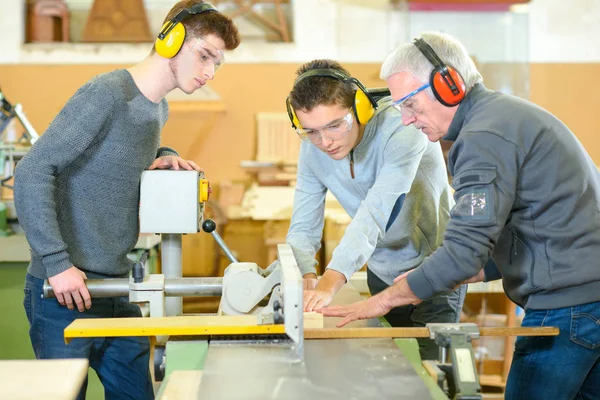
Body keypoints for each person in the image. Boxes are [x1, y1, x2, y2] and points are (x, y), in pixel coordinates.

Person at [322, 31, 600, 400]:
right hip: (587, 301)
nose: (406, 120)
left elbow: (465, 249)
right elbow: (532, 228)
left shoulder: (483, 136)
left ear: (449, 84)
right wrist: (453, 275)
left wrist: (384, 300)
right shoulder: (502, 116)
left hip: (567, 308)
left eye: (410, 104)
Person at [13, 1, 239, 399]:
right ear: (170, 40)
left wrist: (162, 153)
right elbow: (34, 169)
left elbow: (116, 156)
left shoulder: (157, 107)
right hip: (66, 291)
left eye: (217, 64)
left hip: (116, 290)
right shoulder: (107, 93)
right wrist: (57, 262)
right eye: (204, 56)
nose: (208, 72)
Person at [270, 59, 466, 360]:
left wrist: (330, 281)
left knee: (431, 373)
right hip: (382, 269)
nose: (324, 142)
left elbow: (375, 214)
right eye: (311, 132)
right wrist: (306, 273)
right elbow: (303, 225)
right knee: (394, 366)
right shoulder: (312, 147)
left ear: (360, 107)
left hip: (433, 267)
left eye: (335, 125)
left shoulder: (402, 128)